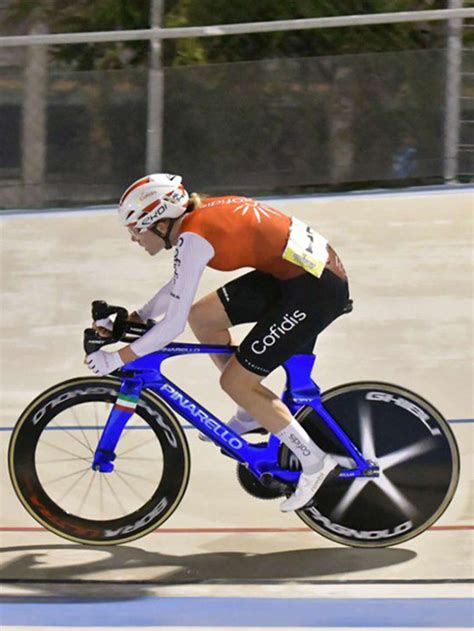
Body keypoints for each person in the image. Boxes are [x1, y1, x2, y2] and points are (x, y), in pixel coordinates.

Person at [86, 173, 351, 512]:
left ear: (158, 221)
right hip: (299, 274)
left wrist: (116, 359)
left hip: (314, 290)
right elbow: (179, 284)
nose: (134, 238)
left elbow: (172, 327)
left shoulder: (194, 236)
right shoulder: (196, 220)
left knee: (236, 381)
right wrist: (137, 316)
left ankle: (315, 463)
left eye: (135, 229)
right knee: (204, 318)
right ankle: (251, 410)